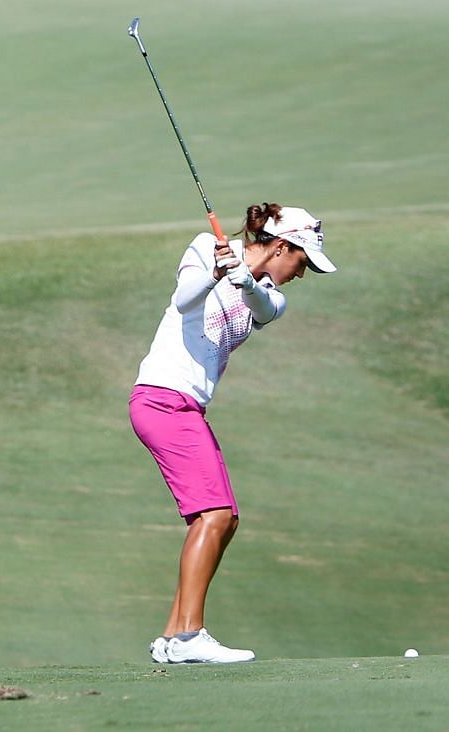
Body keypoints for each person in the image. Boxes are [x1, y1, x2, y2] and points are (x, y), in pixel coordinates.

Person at [129, 202, 335, 665]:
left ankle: (170, 636)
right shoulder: (207, 249)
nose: (301, 275)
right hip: (162, 399)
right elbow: (184, 298)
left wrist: (243, 278)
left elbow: (263, 307)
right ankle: (188, 637)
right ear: (283, 246)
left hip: (186, 408)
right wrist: (218, 273)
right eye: (302, 262)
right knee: (215, 515)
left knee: (226, 520)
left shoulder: (270, 294)